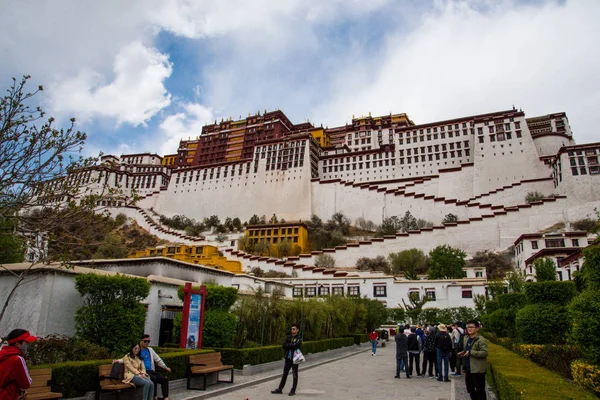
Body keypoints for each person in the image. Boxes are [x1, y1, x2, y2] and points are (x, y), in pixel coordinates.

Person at [0, 329, 37, 400]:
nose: (28, 345)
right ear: (17, 344)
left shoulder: (2, 355)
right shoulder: (17, 359)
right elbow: (26, 384)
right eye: (26, 342)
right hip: (9, 396)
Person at [458, 320, 488, 400]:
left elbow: (484, 353)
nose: (469, 329)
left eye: (471, 327)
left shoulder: (480, 340)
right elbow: (467, 350)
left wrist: (471, 352)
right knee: (470, 389)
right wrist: (463, 352)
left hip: (477, 370)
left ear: (477, 328)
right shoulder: (466, 338)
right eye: (468, 327)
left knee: (480, 390)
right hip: (469, 369)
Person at [271, 324, 302, 396]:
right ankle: (280, 389)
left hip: (295, 358)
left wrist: (289, 345)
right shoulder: (288, 337)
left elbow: (296, 346)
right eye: (292, 329)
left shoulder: (299, 338)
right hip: (288, 359)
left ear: (297, 330)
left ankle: (293, 390)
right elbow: (283, 345)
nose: (292, 330)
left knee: (294, 375)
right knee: (285, 374)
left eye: (294, 329)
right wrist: (291, 345)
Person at [139, 334, 171, 400]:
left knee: (164, 379)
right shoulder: (137, 350)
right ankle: (154, 397)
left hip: (151, 371)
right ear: (141, 341)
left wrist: (165, 367)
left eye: (148, 341)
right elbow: (128, 357)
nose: (147, 343)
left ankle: (165, 397)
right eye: (145, 341)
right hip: (143, 372)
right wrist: (118, 361)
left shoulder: (150, 350)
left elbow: (158, 359)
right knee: (153, 378)